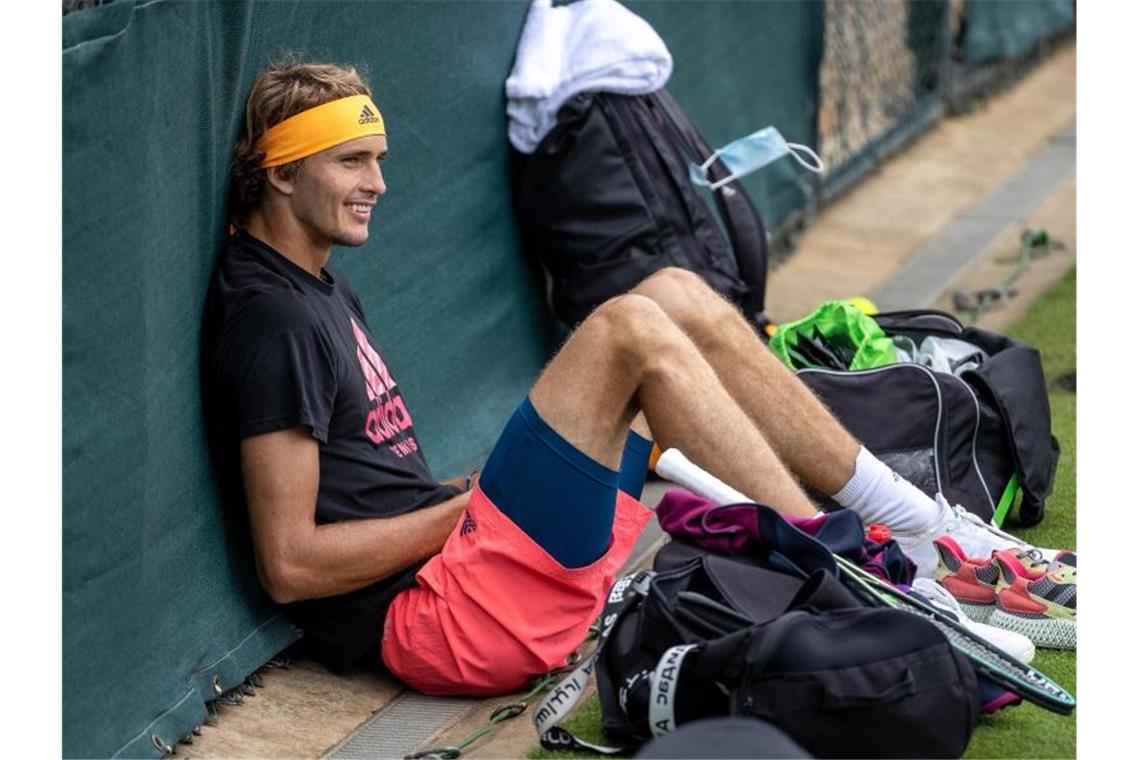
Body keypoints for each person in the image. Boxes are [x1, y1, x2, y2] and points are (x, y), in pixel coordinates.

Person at [201, 61, 1048, 696]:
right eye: (352, 162)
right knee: (628, 329)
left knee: (674, 295)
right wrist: (462, 508)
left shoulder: (314, 282)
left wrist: (457, 508)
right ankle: (867, 575)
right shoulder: (270, 317)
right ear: (281, 171)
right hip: (441, 619)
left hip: (465, 565)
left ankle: (917, 530)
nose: (378, 184)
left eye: (377, 159)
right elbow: (293, 566)